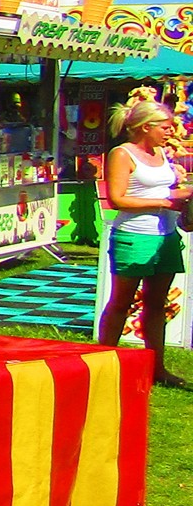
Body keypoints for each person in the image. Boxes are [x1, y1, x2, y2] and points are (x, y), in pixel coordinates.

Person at [96, 96, 191, 388]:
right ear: (145, 127)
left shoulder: (162, 153)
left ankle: (156, 367)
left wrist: (182, 194)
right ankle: (102, 363)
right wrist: (165, 201)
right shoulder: (122, 154)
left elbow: (164, 189)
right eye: (164, 127)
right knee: (121, 302)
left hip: (165, 235)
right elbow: (117, 198)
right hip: (134, 235)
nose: (170, 131)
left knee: (156, 303)